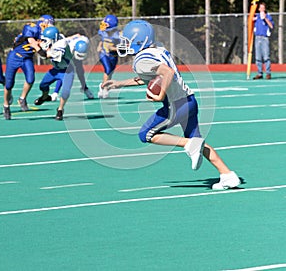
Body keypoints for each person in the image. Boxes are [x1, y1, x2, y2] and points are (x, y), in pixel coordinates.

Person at [103, 20, 241, 190]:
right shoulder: (158, 49)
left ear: (140, 41)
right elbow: (151, 76)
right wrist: (119, 84)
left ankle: (187, 145)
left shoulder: (141, 60)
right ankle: (227, 175)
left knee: (146, 134)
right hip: (190, 100)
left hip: (176, 105)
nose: (123, 44)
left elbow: (166, 72)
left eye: (127, 40)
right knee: (196, 141)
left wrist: (160, 95)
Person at [3, 14, 54, 120]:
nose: (50, 27)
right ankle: (6, 106)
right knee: (9, 85)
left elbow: (48, 50)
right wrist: (42, 51)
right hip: (15, 56)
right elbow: (32, 43)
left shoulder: (48, 34)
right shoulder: (31, 27)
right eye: (49, 24)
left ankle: (22, 98)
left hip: (27, 58)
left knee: (30, 79)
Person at [33, 26, 75, 121]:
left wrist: (36, 47)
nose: (44, 41)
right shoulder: (54, 40)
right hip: (56, 69)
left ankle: (60, 109)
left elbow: (45, 56)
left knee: (65, 92)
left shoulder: (60, 44)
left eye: (46, 40)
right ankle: (44, 97)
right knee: (43, 85)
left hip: (67, 71)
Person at [50, 34, 94, 101]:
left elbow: (78, 35)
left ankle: (85, 88)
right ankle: (55, 92)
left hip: (74, 49)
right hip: (67, 53)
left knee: (80, 71)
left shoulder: (85, 41)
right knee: (65, 71)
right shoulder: (68, 47)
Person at [97, 14, 121, 98]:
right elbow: (102, 39)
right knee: (107, 70)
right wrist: (100, 45)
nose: (103, 25)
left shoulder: (118, 35)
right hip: (104, 54)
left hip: (113, 55)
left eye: (106, 24)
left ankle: (105, 86)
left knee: (110, 72)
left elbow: (121, 47)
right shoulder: (102, 31)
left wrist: (113, 48)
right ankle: (103, 87)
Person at [253, 2, 274, 80]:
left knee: (266, 56)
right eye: (260, 8)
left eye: (263, 8)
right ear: (258, 9)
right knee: (258, 57)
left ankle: (268, 73)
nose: (262, 9)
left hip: (264, 38)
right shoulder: (256, 16)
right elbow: (250, 21)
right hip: (257, 38)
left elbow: (271, 26)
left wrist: (265, 18)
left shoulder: (268, 16)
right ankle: (259, 73)